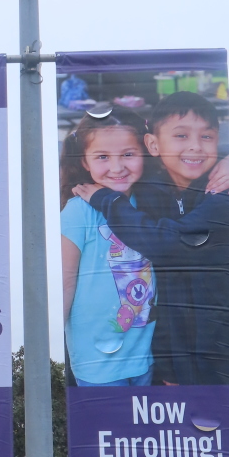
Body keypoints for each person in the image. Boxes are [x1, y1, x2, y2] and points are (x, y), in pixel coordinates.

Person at [73, 91, 229, 387]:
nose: (195, 146)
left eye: (207, 137)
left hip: (223, 356)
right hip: (163, 359)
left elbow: (168, 243)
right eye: (181, 135)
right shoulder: (145, 189)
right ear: (152, 144)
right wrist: (167, 367)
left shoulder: (223, 197)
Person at [60, 105, 156, 386]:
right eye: (102, 156)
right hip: (96, 361)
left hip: (146, 356)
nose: (117, 167)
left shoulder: (150, 203)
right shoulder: (77, 211)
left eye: (128, 154)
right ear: (85, 162)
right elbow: (65, 282)